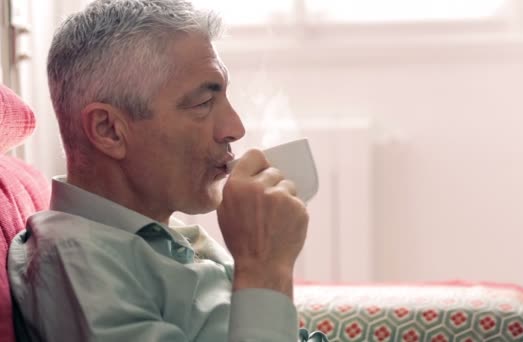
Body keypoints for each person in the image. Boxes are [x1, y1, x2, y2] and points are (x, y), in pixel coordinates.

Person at [8, 0, 323, 341]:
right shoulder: (77, 261)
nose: (235, 128)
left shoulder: (168, 238)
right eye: (203, 103)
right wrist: (263, 265)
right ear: (109, 130)